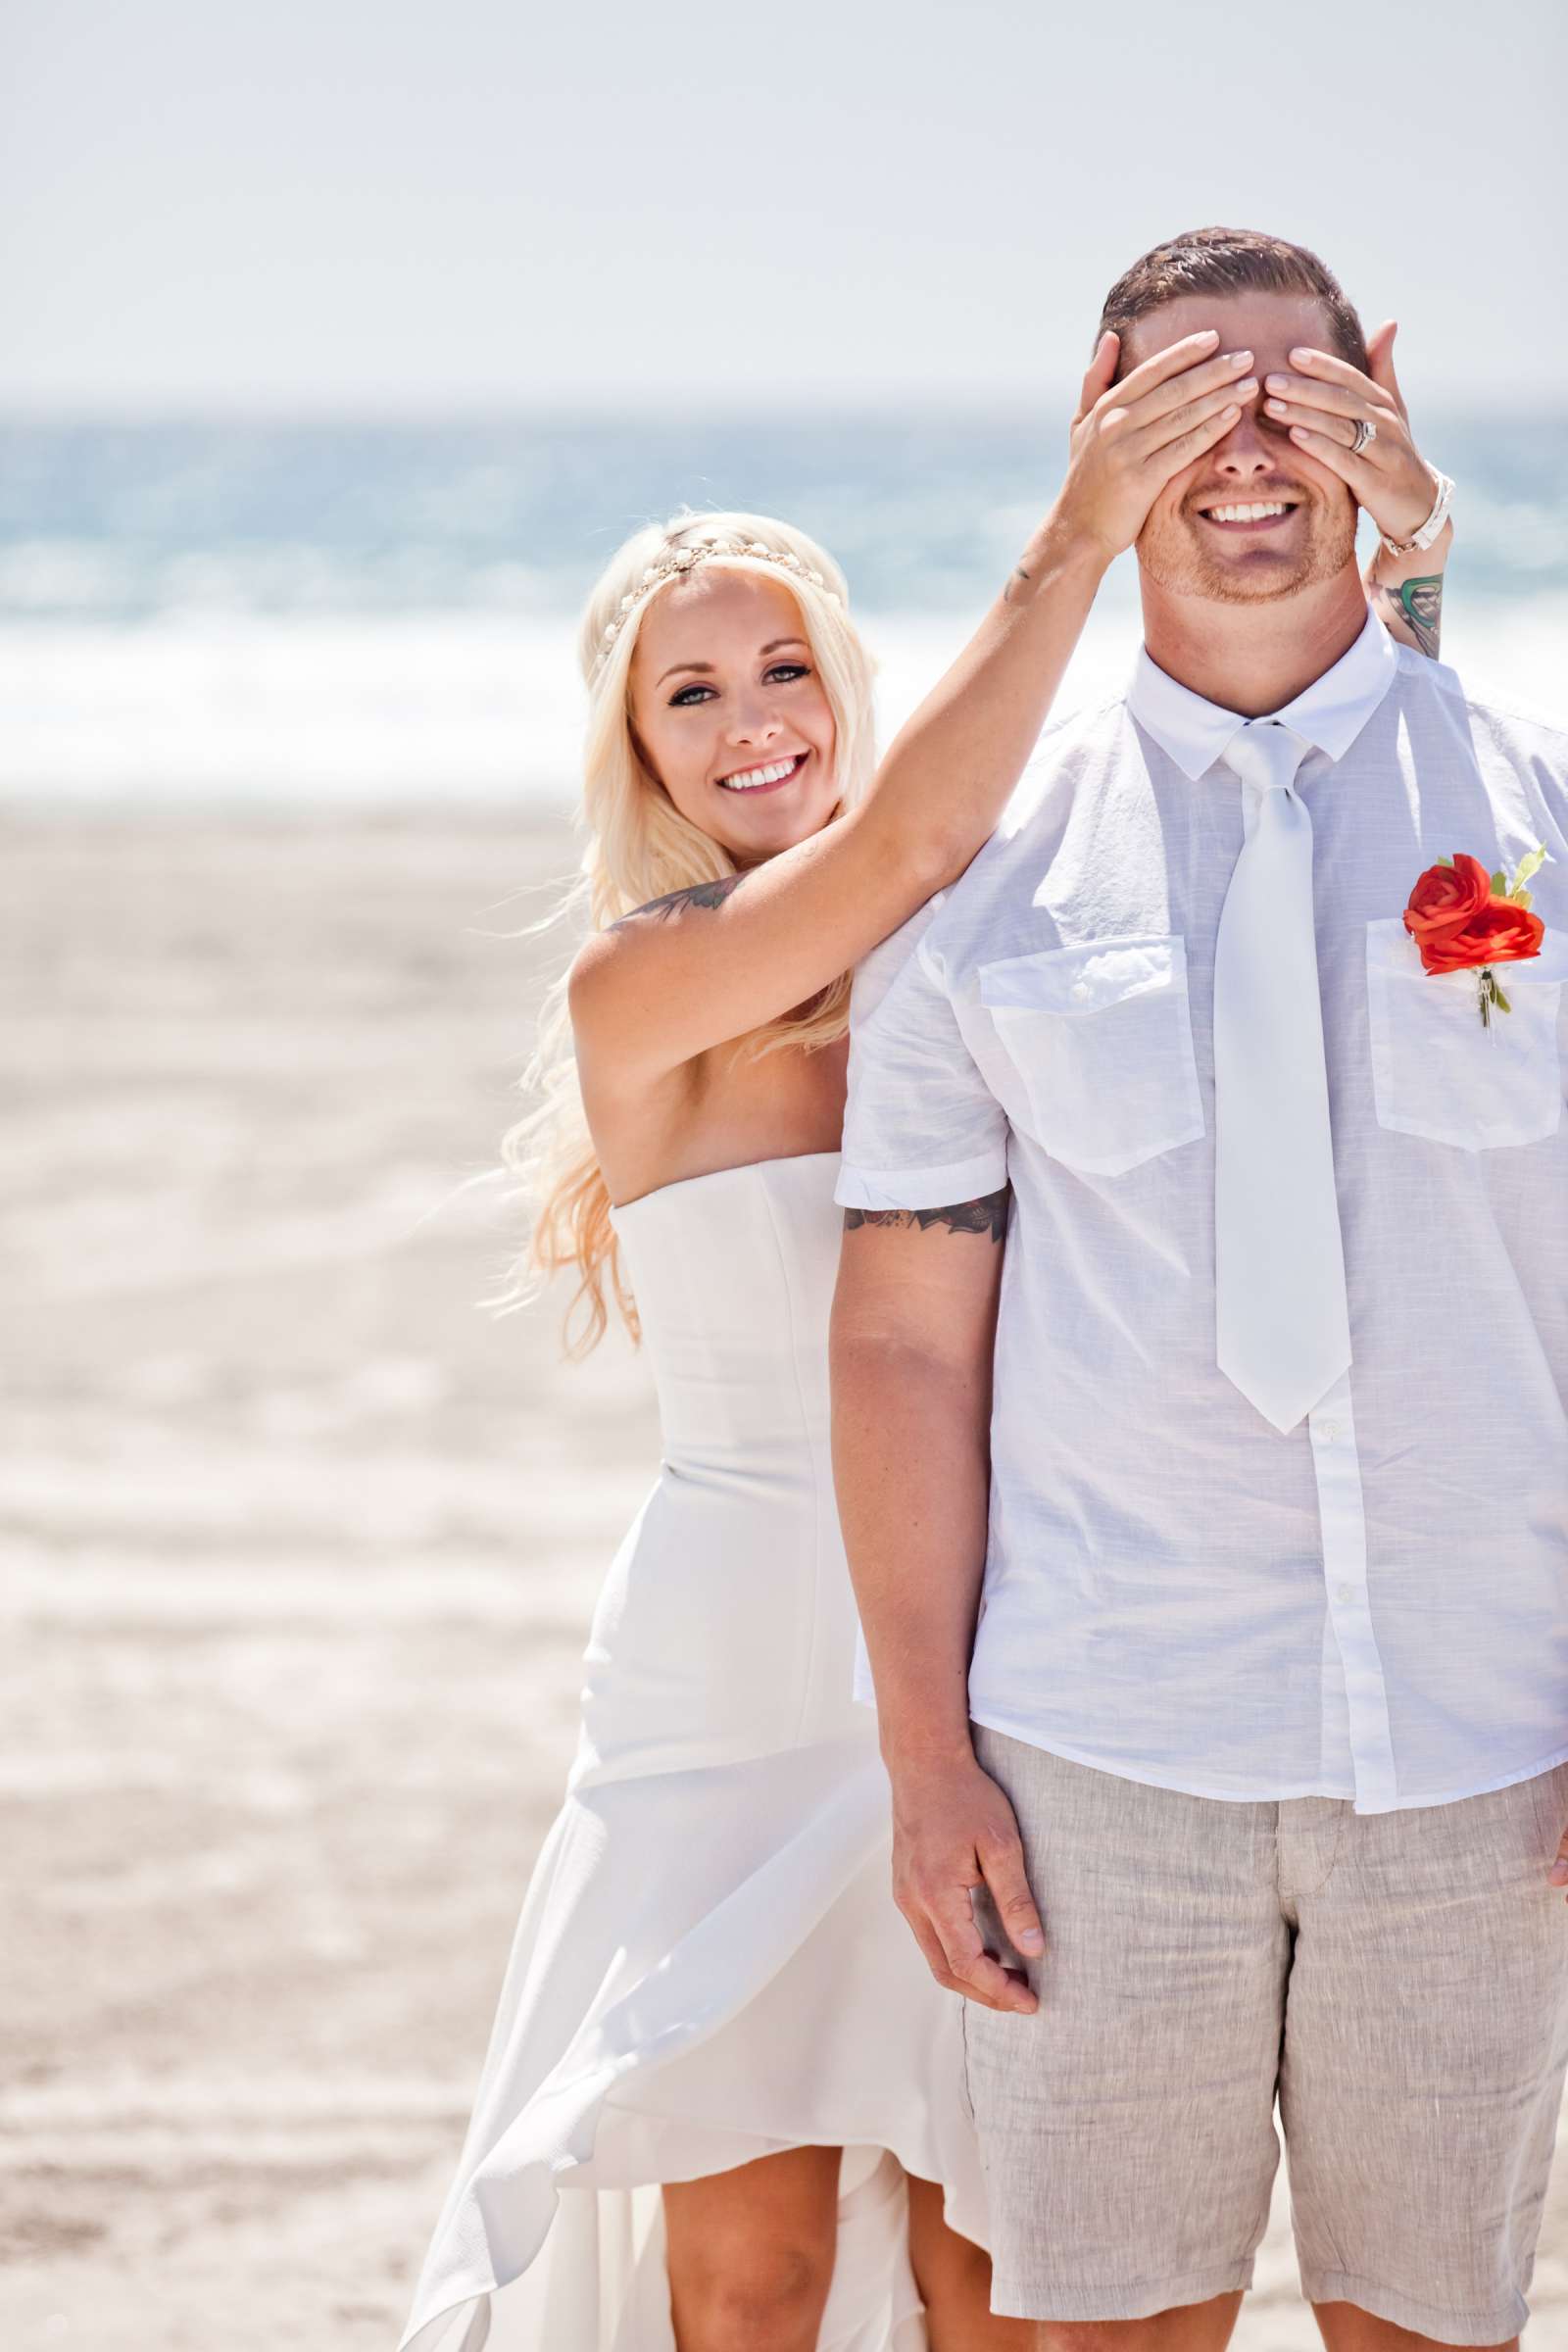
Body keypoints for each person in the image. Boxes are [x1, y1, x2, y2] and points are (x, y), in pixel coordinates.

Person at [398, 306, 1450, 2352]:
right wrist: (1076, 528)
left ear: (845, 681)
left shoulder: (970, 935)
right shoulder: (647, 988)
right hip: (729, 1680)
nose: (749, 718)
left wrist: (1397, 551)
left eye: (785, 664)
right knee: (751, 2259)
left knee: (993, 2255)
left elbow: (1309, 798)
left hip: (1003, 1641)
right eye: (686, 693)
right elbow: (900, 836)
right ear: (633, 753)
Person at [830, 223, 1567, 2352]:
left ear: (1381, 402)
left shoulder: (1528, 830)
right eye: (1176, 394)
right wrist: (923, 1761)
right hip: (1095, 1745)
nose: (1239, 446)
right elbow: (896, 1343)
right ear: (1091, 424)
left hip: (1480, 1745)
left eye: (1290, 389)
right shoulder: (978, 880)